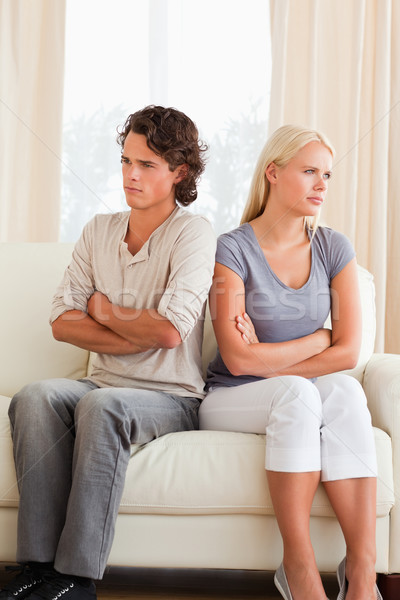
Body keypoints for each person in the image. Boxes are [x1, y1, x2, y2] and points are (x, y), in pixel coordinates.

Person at [2, 105, 216, 600]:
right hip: (100, 384)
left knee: (101, 404)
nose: (130, 175)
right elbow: (61, 322)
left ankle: (76, 578)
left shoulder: (193, 233)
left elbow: (169, 332)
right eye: (125, 161)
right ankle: (37, 568)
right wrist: (130, 327)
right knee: (34, 397)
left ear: (179, 171)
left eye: (146, 165)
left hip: (171, 396)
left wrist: (101, 309)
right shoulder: (99, 230)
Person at [199, 125, 381, 600]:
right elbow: (237, 362)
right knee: (300, 391)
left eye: (327, 174)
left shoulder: (332, 247)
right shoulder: (231, 249)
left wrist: (271, 357)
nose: (322, 184)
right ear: (273, 173)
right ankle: (297, 568)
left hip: (284, 388)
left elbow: (348, 352)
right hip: (230, 396)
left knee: (345, 389)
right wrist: (317, 337)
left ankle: (361, 572)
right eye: (309, 171)